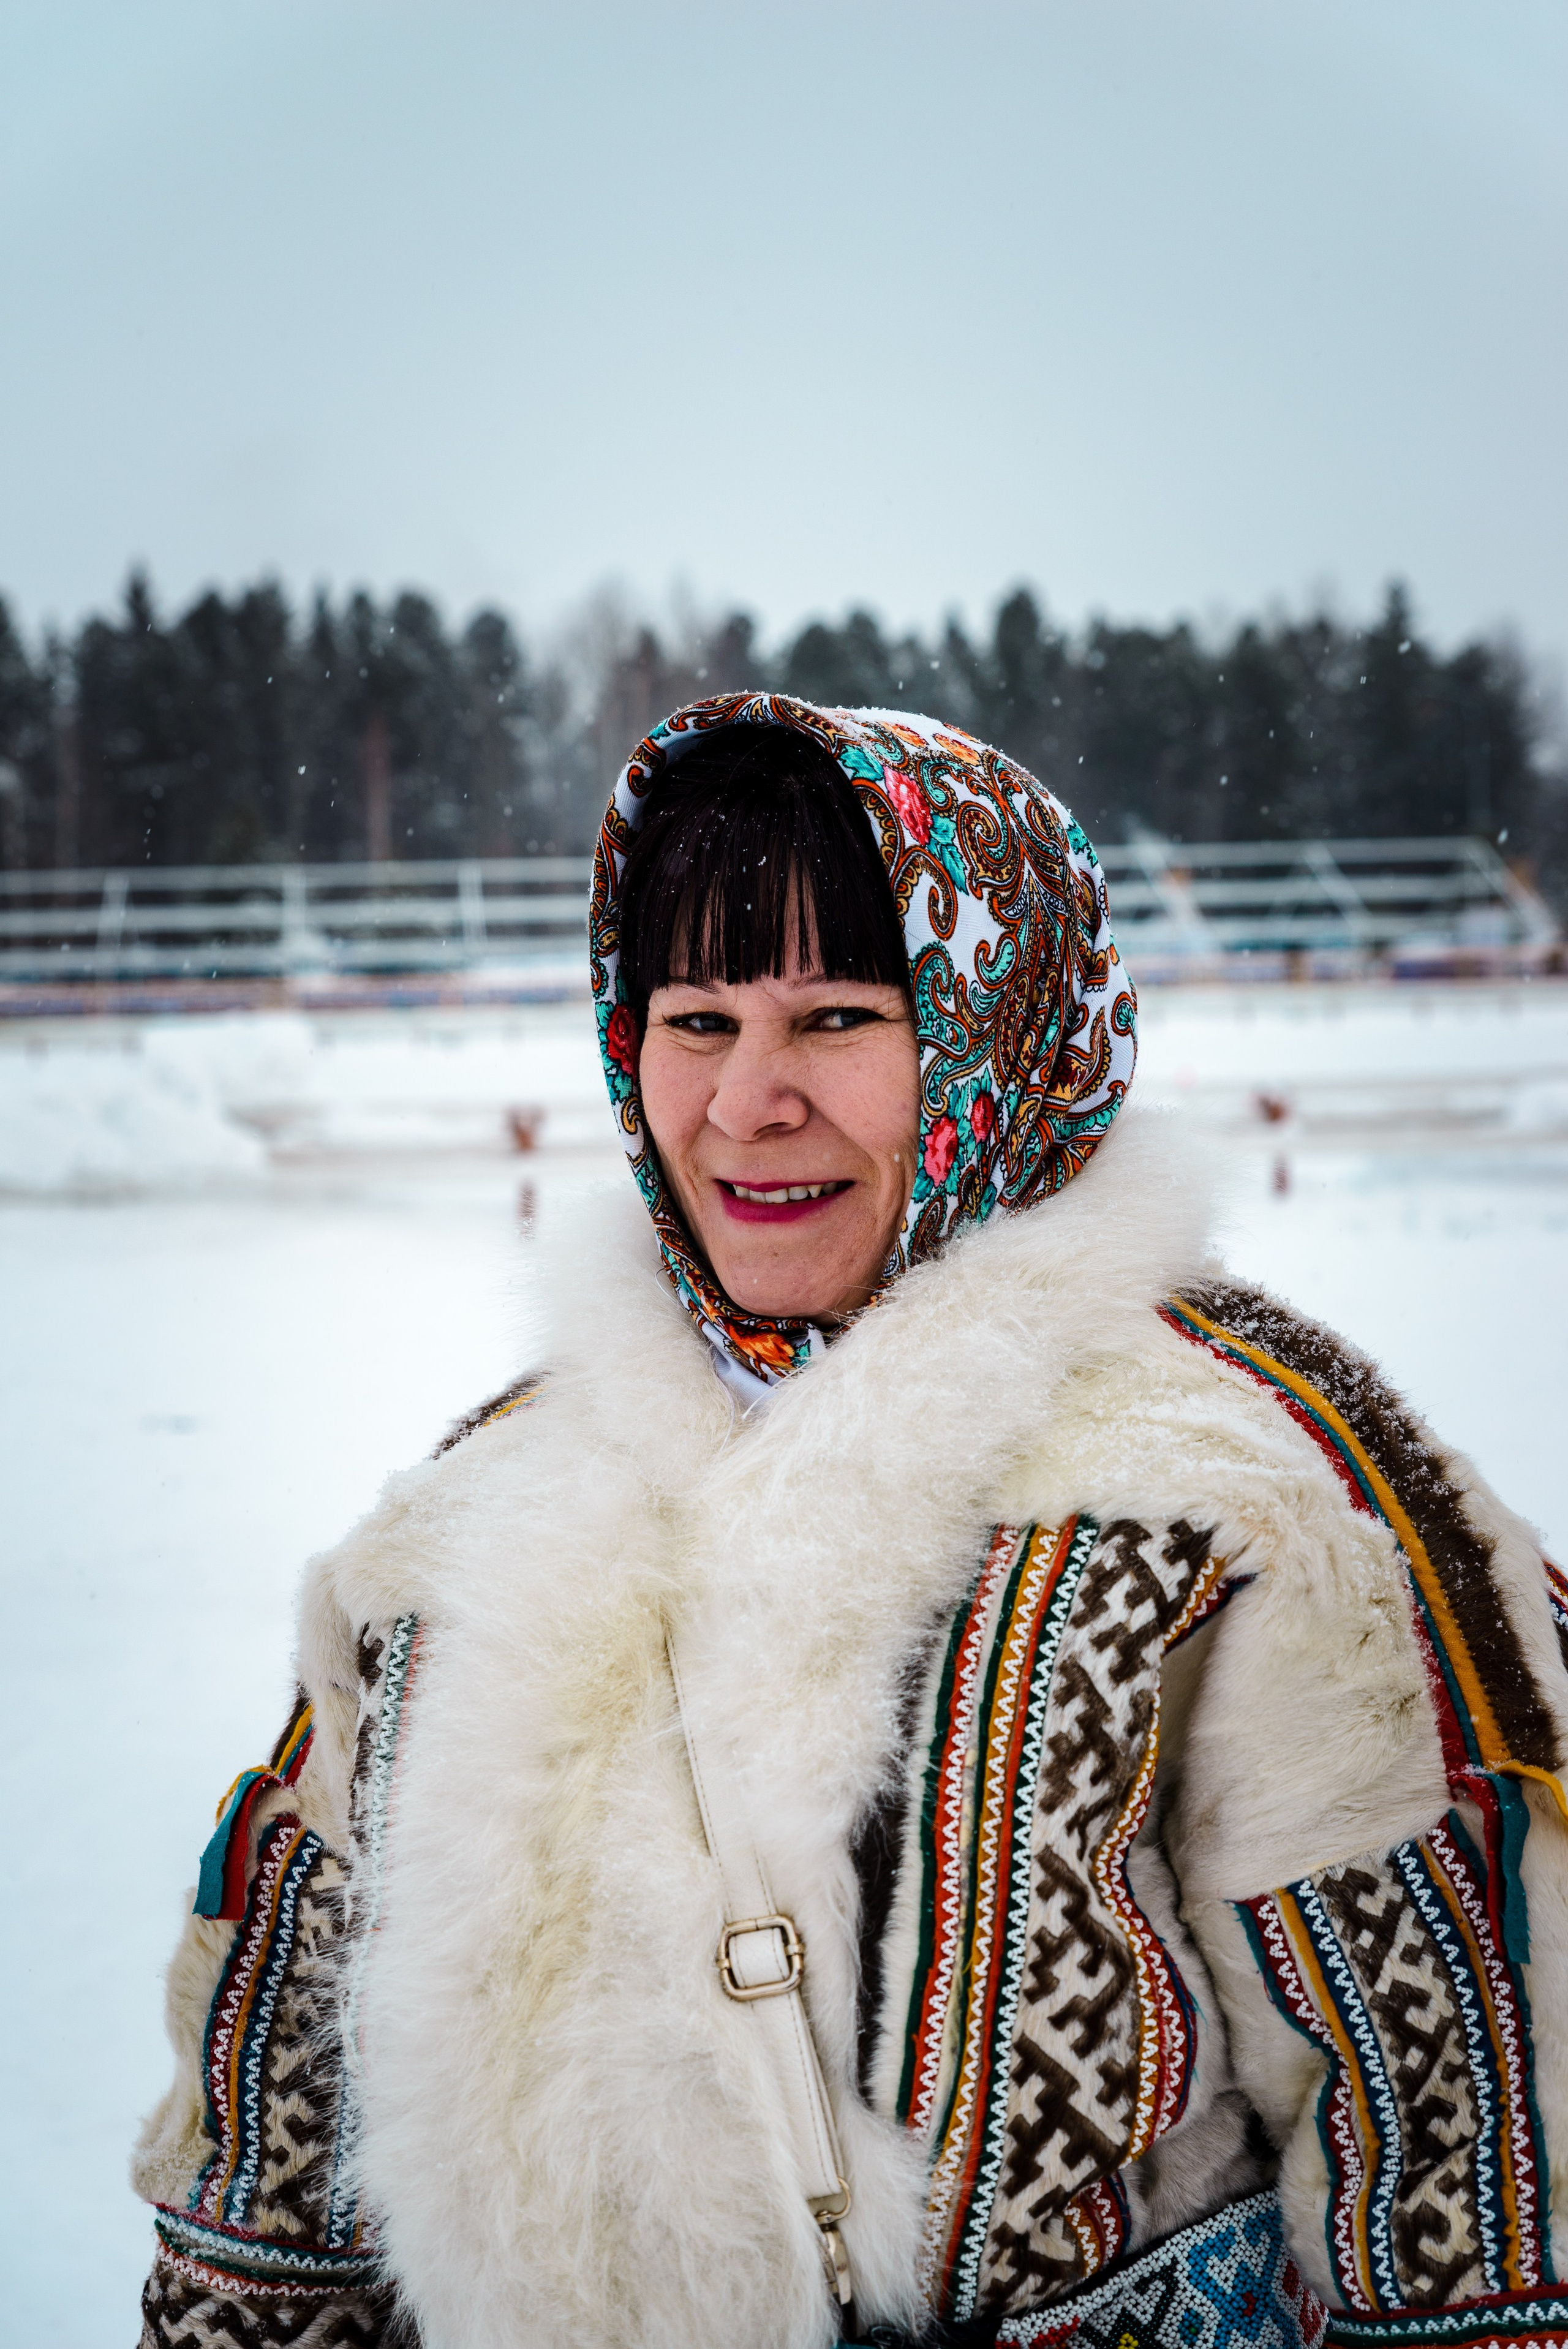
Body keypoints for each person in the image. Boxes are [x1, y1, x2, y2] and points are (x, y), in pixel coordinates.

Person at [135, 695, 1568, 2349]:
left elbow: (1464, 2144)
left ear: (992, 1025)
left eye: (835, 1015)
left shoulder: (1242, 1503)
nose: (749, 1100)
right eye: (694, 1017)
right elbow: (272, 2184)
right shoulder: (466, 1527)